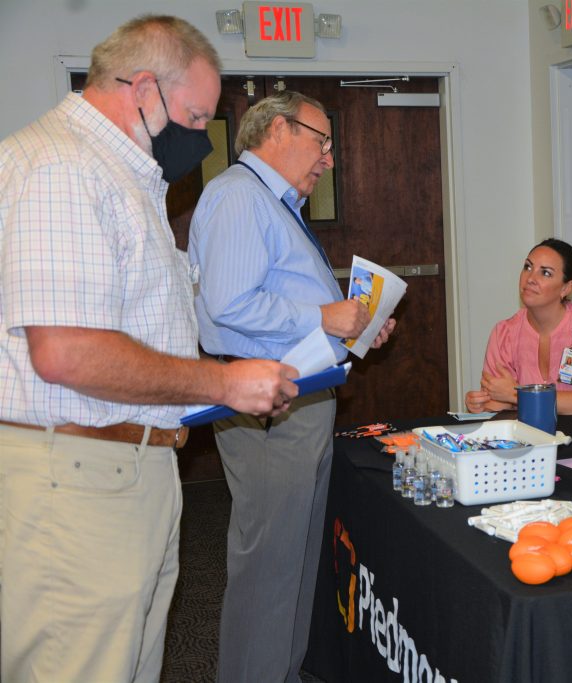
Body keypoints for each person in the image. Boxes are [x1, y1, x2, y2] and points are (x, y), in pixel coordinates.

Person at [0, 15, 298, 683]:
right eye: (195, 118)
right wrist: (220, 384)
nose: (200, 139)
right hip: (76, 481)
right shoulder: (61, 168)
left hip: (125, 471)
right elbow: (66, 352)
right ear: (141, 88)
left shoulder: (124, 177)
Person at [188, 90, 396, 683]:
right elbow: (229, 307)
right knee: (270, 569)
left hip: (298, 397)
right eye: (321, 141)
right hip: (267, 409)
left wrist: (351, 328)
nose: (328, 158)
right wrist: (323, 320)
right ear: (278, 128)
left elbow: (285, 302)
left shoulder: (275, 204)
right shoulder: (237, 198)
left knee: (300, 562)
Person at [465, 238, 572, 424]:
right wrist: (481, 406)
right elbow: (498, 403)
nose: (531, 278)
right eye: (528, 267)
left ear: (566, 288)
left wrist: (515, 394)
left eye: (546, 273)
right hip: (536, 440)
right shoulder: (504, 333)